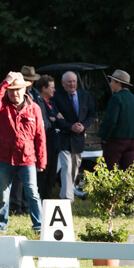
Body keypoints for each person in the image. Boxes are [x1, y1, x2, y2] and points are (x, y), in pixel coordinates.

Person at [0, 71, 47, 234]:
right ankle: (0, 227)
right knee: (2, 195)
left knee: (32, 193)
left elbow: (40, 136)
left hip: (27, 158)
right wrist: (5, 82)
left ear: (25, 90)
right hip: (4, 158)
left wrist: (41, 161)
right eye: (11, 90)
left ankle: (39, 227)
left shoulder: (34, 108)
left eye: (17, 89)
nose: (14, 93)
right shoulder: (2, 106)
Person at [51, 71, 96, 200]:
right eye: (69, 82)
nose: (72, 84)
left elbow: (91, 114)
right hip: (63, 136)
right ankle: (67, 198)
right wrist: (70, 126)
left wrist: (83, 126)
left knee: (75, 168)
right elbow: (55, 116)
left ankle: (66, 192)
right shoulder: (57, 96)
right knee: (66, 166)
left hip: (78, 138)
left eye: (74, 81)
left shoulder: (85, 95)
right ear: (63, 83)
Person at [99, 69, 134, 170]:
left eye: (112, 81)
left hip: (116, 140)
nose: (110, 84)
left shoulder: (116, 98)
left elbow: (111, 120)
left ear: (119, 83)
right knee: (128, 172)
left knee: (109, 171)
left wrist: (104, 137)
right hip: (132, 140)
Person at [32, 73, 65, 199]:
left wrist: (56, 119)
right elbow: (46, 122)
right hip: (45, 143)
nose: (54, 90)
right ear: (44, 88)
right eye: (52, 87)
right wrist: (56, 119)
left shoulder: (52, 104)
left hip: (54, 143)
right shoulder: (38, 103)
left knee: (52, 173)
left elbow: (60, 120)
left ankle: (49, 197)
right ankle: (43, 197)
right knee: (43, 173)